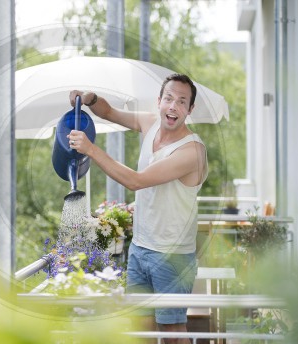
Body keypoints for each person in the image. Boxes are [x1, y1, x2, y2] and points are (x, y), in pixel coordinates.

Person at [68, 73, 208, 344]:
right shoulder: (151, 123)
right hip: (141, 249)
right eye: (168, 98)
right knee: (140, 331)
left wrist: (91, 149)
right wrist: (89, 99)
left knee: (172, 335)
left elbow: (136, 181)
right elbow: (108, 112)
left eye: (182, 102)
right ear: (159, 101)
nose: (173, 106)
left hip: (172, 256)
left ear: (190, 110)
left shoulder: (192, 152)